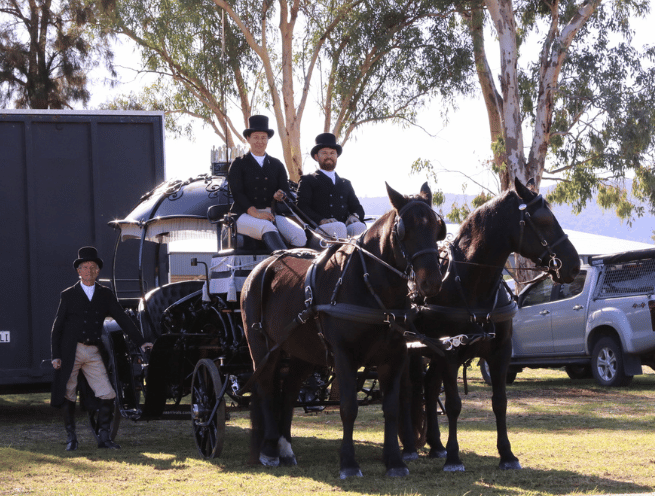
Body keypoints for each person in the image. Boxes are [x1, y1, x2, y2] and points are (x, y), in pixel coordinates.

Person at [51, 246, 153, 451]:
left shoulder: (105, 294)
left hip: (93, 351)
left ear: (98, 271)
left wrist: (142, 341)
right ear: (78, 271)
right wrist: (56, 355)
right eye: (84, 267)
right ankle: (72, 438)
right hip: (71, 351)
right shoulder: (68, 295)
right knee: (68, 394)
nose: (89, 271)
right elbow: (57, 327)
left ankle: (104, 438)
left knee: (108, 393)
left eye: (93, 267)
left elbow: (123, 319)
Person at [227, 115, 306, 251]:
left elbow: (285, 190)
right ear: (248, 139)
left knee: (300, 235)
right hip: (243, 215)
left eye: (263, 138)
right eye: (256, 137)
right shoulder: (238, 164)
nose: (260, 141)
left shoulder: (277, 165)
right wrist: (256, 214)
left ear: (268, 140)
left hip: (271, 214)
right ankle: (283, 267)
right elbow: (237, 193)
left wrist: (280, 195)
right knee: (267, 227)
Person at [297, 133, 366, 239]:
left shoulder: (346, 183)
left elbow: (357, 207)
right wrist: (321, 220)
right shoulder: (308, 180)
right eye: (324, 153)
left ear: (336, 156)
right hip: (318, 229)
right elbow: (302, 207)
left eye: (332, 153)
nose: (329, 156)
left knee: (359, 226)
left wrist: (355, 216)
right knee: (339, 227)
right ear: (316, 157)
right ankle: (343, 256)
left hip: (344, 226)